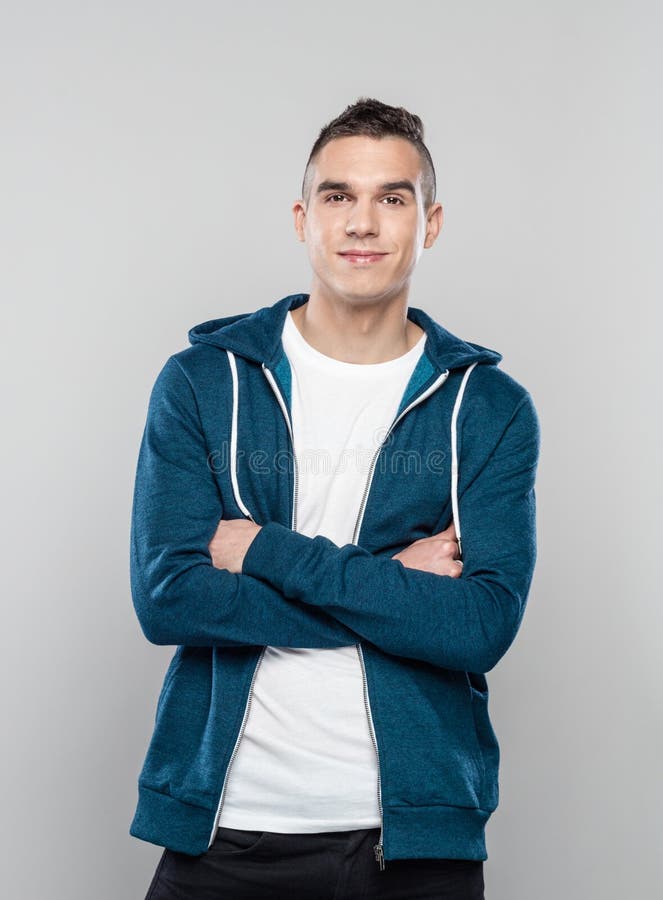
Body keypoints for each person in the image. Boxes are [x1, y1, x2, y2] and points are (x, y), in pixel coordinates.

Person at [129, 97, 540, 900]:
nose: (362, 222)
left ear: (430, 223)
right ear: (301, 216)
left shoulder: (487, 407)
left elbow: (480, 626)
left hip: (412, 842)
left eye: (392, 198)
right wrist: (391, 580)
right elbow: (168, 599)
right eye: (337, 196)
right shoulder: (205, 382)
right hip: (225, 830)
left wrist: (264, 551)